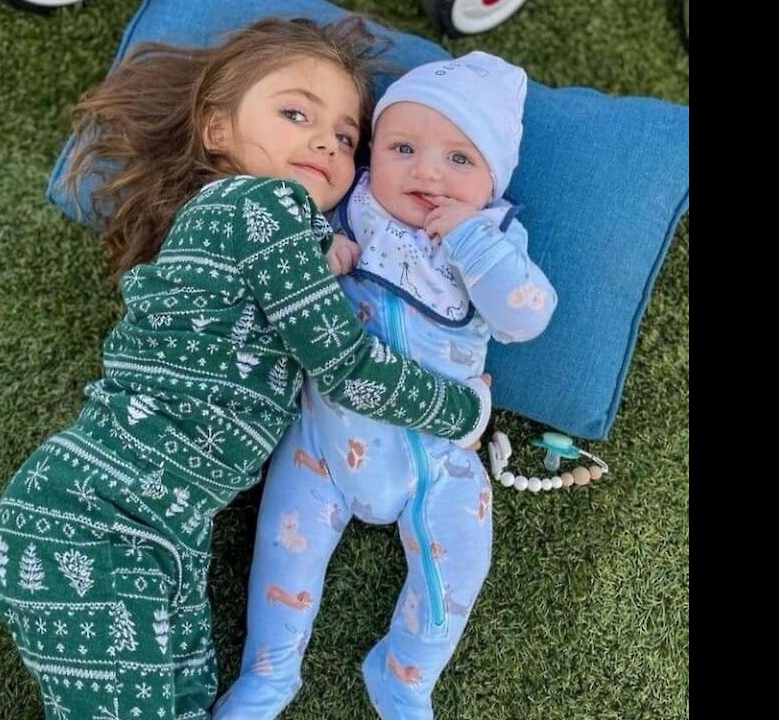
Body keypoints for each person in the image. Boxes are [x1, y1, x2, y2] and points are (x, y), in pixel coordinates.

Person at [0, 18, 492, 720]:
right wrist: (463, 411)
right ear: (217, 129)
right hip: (88, 522)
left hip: (167, 536)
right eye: (295, 114)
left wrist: (326, 254)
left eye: (347, 138)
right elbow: (344, 366)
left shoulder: (249, 227)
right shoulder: (261, 203)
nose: (325, 141)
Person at [216, 51, 555, 720]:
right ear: (375, 154)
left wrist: (473, 245)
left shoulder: (493, 237)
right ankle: (270, 671)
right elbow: (290, 267)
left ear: (493, 179)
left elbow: (528, 316)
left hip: (436, 456)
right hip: (322, 437)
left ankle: (405, 674)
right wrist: (324, 256)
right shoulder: (353, 206)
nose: (428, 171)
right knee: (283, 555)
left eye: (460, 160)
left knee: (458, 563)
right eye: (403, 147)